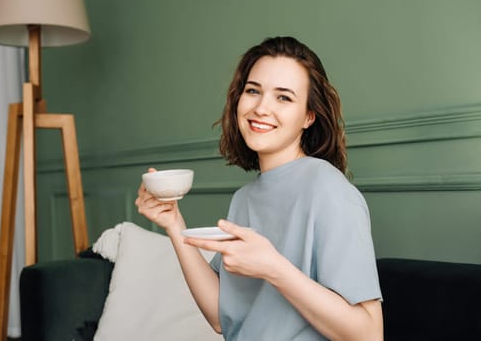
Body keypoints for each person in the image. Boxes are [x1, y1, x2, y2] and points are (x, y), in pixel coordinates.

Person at [135, 36, 383, 341]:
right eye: (253, 91)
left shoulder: (330, 191)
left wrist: (274, 268)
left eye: (284, 97)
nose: (261, 108)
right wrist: (173, 224)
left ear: (309, 116)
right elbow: (219, 317)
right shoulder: (245, 198)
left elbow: (369, 334)